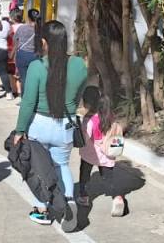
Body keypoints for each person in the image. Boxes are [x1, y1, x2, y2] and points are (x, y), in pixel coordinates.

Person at [14, 20, 88, 231]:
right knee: (61, 165)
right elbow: (79, 94)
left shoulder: (37, 67)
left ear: (44, 42)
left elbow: (28, 102)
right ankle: (69, 202)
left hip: (39, 125)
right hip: (65, 124)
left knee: (40, 169)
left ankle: (42, 210)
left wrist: (20, 130)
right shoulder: (79, 65)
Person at [77, 86, 127, 217]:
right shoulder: (108, 115)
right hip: (107, 154)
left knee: (84, 174)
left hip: (90, 154)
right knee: (108, 179)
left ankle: (84, 196)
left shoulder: (89, 120)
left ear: (87, 102)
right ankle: (117, 197)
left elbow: (86, 138)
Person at [12, 9, 42, 95]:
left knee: (24, 78)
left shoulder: (22, 28)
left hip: (23, 55)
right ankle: (35, 97)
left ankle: (25, 99)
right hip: (36, 55)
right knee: (35, 78)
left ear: (28, 18)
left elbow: (15, 40)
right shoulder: (40, 29)